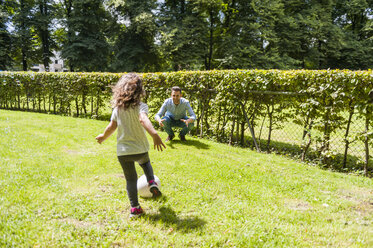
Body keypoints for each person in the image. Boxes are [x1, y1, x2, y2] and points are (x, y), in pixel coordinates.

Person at [95, 73, 166, 218]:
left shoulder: (117, 109)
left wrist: (103, 136)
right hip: (140, 149)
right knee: (145, 163)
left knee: (131, 180)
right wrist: (154, 134)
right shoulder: (141, 106)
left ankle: (135, 208)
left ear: (120, 90)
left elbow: (111, 126)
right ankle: (151, 181)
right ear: (140, 91)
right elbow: (143, 119)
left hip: (123, 152)